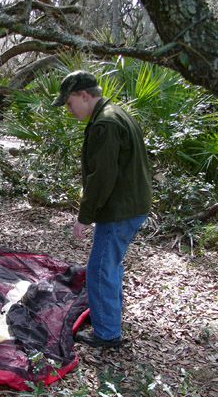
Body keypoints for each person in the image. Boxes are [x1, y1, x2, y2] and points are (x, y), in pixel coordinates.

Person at [51, 70, 152, 349]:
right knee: (111, 265)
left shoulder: (104, 124)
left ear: (84, 95)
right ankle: (111, 318)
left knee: (100, 269)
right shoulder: (117, 113)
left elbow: (102, 177)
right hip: (132, 204)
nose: (69, 110)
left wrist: (85, 217)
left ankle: (107, 332)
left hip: (120, 209)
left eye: (70, 103)